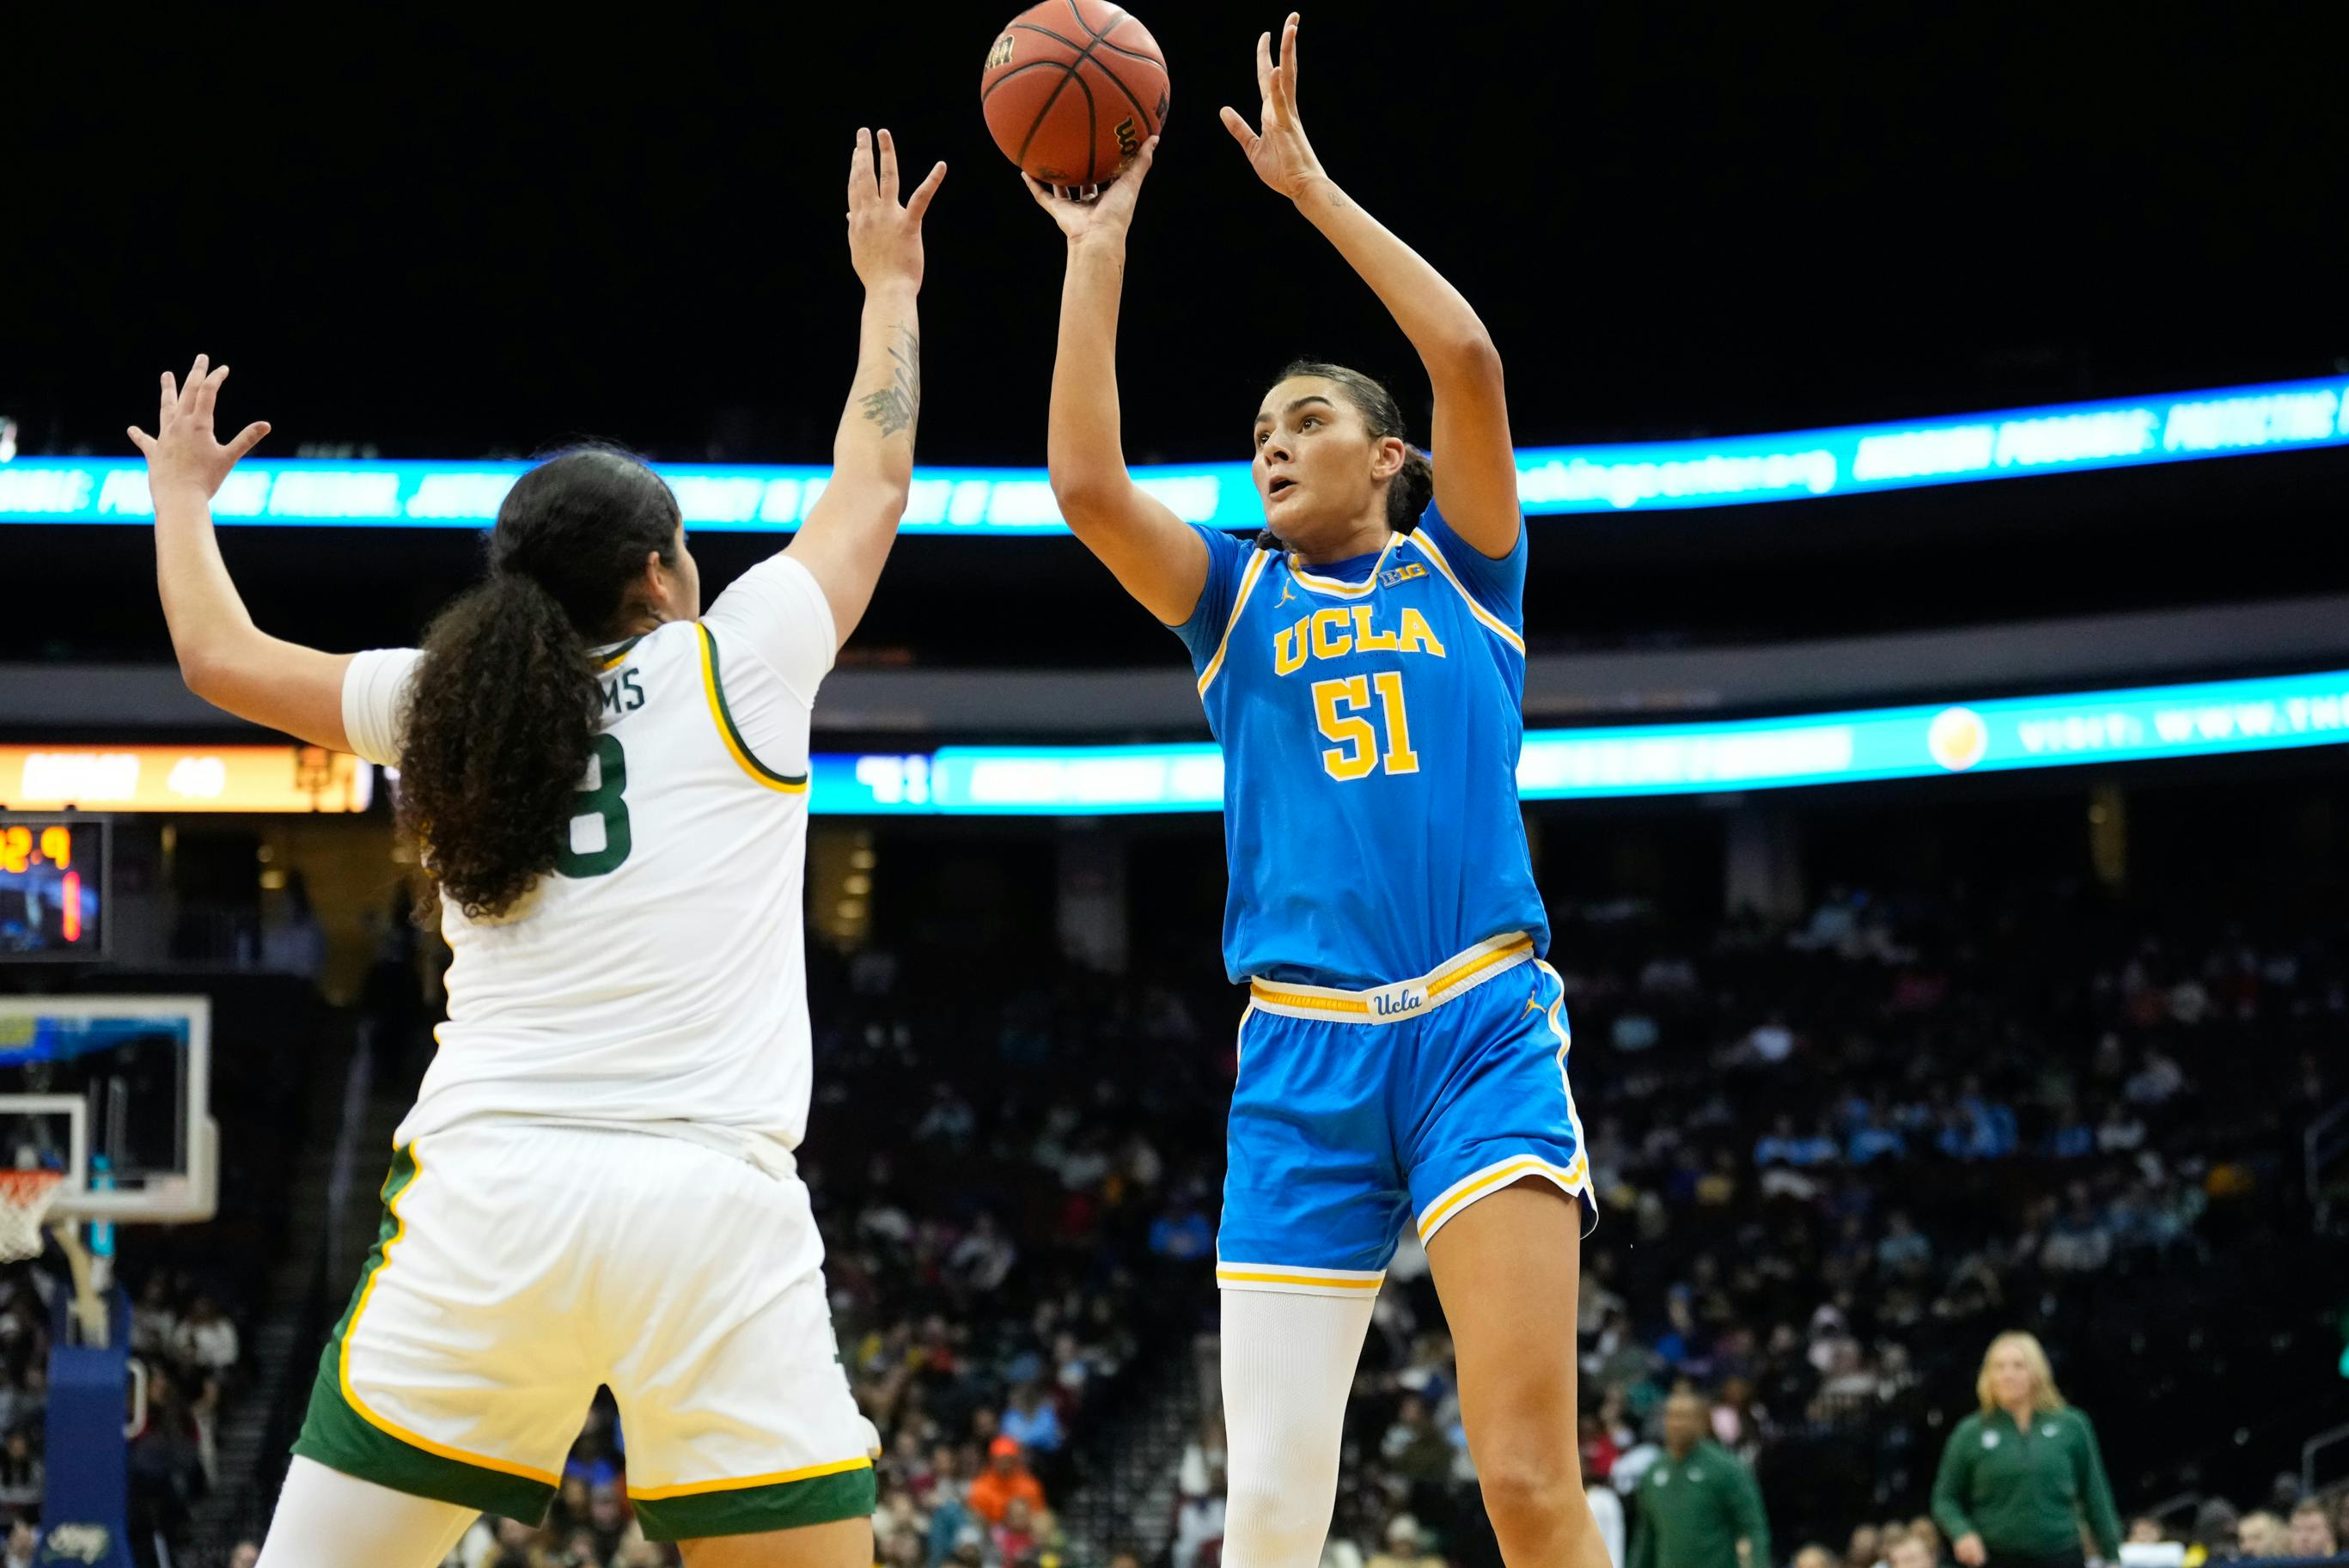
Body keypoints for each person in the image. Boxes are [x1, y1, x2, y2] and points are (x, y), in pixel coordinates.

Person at [131, 124, 948, 1568]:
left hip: (493, 1196)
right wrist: (889, 286)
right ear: (658, 570)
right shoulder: (731, 666)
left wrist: (182, 504)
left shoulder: (444, 698)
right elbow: (873, 479)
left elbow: (215, 651)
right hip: (707, 1207)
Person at [1029, 15, 1603, 1567]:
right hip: (1299, 1058)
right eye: (1261, 430)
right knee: (1271, 1515)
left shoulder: (1467, 573)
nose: (1272, 445)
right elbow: (1085, 484)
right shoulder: (1233, 601)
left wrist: (1307, 190)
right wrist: (1099, 241)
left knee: (1530, 1486)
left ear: (1389, 459)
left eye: (1307, 423)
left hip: (1480, 1030)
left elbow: (1468, 354)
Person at [1930, 1333, 2121, 1568]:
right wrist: (1962, 1532)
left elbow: (2095, 1493)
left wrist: (2111, 1555)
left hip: (2061, 1555)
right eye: (1999, 1367)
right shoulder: (1970, 1433)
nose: (2008, 1375)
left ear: (2037, 1372)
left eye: (2018, 1366)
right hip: (1996, 1557)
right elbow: (1945, 1499)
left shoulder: (2071, 1425)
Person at [1626, 1392, 1771, 1568]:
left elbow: (1753, 1528)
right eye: (1672, 1416)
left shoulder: (1726, 1468)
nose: (1677, 1424)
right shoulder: (1654, 1472)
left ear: (1702, 1422)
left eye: (1685, 1417)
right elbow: (1645, 1537)